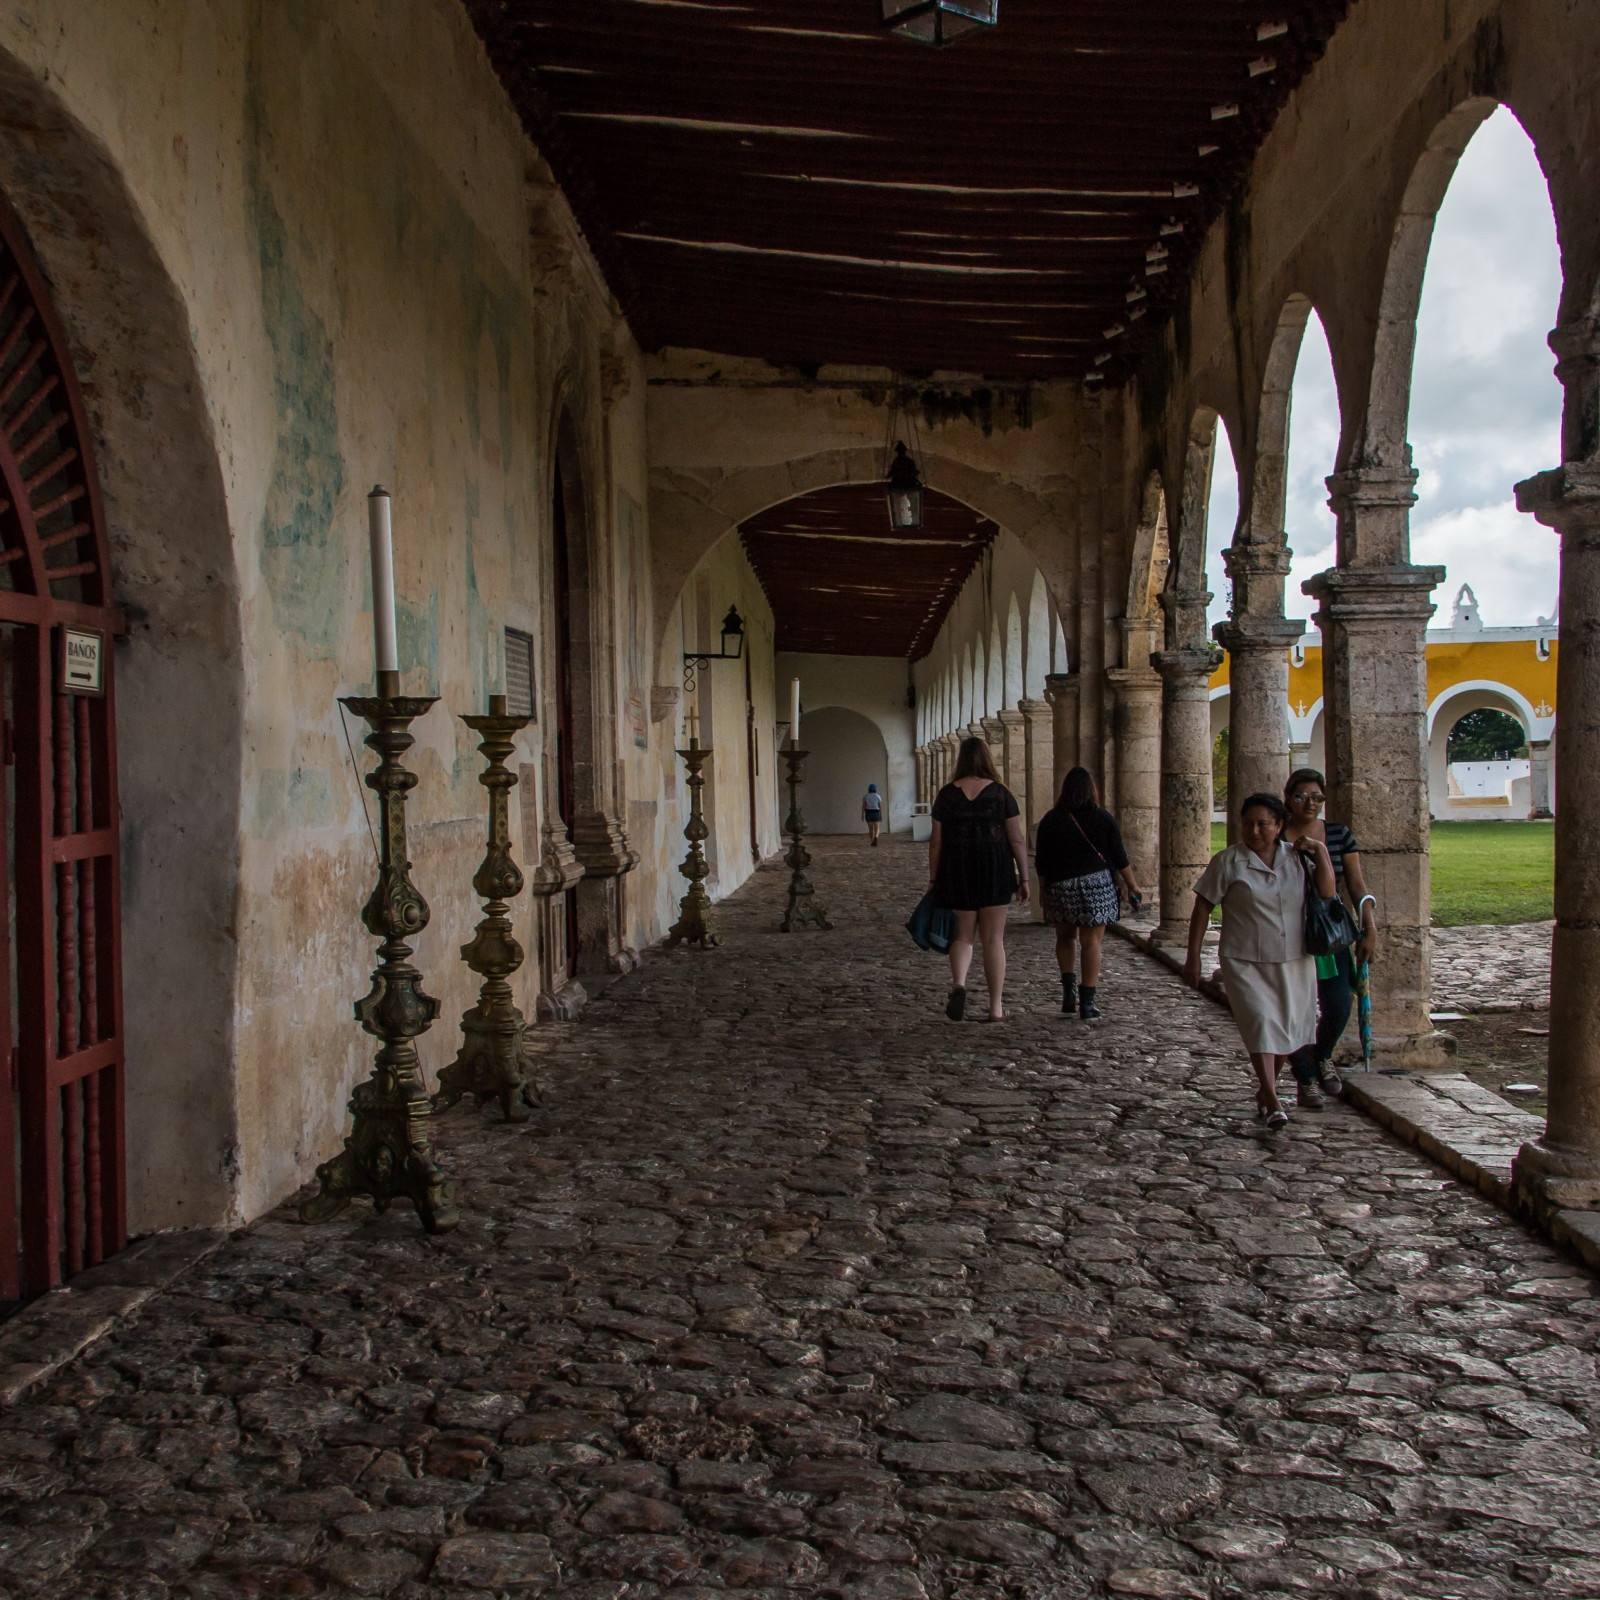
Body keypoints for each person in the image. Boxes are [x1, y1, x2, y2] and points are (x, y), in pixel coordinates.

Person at [1185, 792, 1335, 1129]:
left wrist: (1321, 851)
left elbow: (1327, 893)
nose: (1254, 831)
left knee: (1286, 1031)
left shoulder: (1296, 859)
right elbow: (1202, 907)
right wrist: (1193, 956)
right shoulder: (1228, 862)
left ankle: (1265, 1093)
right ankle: (1272, 1097)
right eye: (1248, 823)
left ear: (1279, 825)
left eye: (1263, 824)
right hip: (1244, 959)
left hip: (1293, 958)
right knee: (1261, 1025)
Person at [1281, 767, 1376, 1108]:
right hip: (1287, 933)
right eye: (1302, 796)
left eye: (1318, 797)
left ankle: (1322, 1056)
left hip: (1329, 933)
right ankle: (1305, 1076)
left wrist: (1369, 928)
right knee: (1293, 1010)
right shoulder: (1276, 835)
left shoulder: (1338, 835)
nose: (1311, 803)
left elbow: (1356, 885)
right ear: (1288, 798)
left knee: (1338, 1005)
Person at [928, 737, 1030, 1022]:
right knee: (993, 939)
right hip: (995, 869)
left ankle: (959, 984)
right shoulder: (1000, 794)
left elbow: (936, 842)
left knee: (962, 935)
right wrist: (1024, 877)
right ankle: (995, 1006)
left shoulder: (947, 794)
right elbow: (1017, 839)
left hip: (957, 869)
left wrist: (934, 879)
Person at [1035, 766, 1143, 1019]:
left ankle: (1068, 992)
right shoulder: (1102, 817)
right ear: (1091, 789)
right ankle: (1087, 1001)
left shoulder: (1051, 819)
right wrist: (1133, 884)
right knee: (1091, 942)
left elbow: (1042, 860)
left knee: (1065, 938)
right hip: (1096, 885)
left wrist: (1042, 888)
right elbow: (1119, 856)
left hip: (1061, 886)